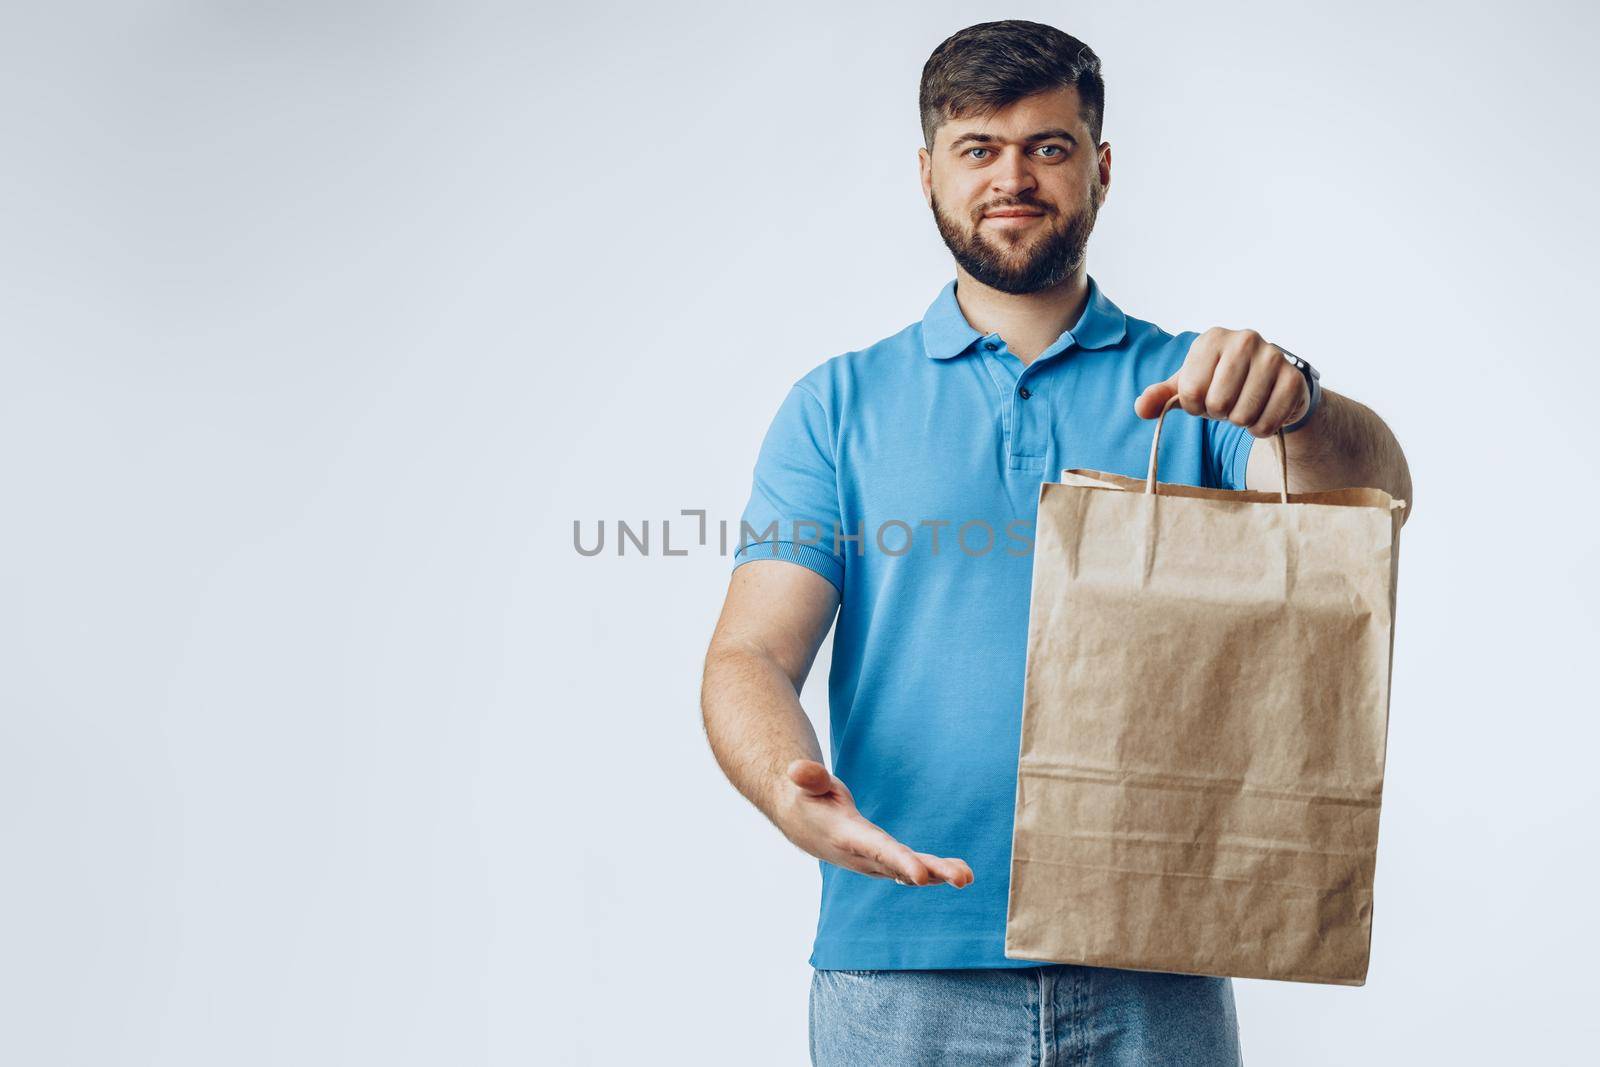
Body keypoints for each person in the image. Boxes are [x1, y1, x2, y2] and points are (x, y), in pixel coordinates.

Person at [699, 19, 1412, 1065]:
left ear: (1101, 167)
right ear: (928, 172)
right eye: (977, 148)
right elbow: (750, 653)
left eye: (1048, 145)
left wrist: (1299, 403)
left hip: (1152, 961)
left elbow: (1371, 499)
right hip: (899, 967)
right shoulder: (837, 404)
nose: (1012, 177)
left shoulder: (1197, 387)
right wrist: (788, 789)